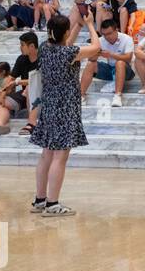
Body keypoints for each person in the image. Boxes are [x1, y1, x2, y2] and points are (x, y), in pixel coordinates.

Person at [28, 15, 102, 214]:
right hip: (66, 106)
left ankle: (40, 200)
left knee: (46, 154)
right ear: (66, 32)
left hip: (49, 103)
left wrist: (75, 25)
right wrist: (89, 24)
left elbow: (65, 41)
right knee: (60, 156)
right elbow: (95, 47)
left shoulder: (45, 47)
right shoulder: (69, 52)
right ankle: (53, 203)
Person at [0, 31, 39, 136]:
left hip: (41, 95)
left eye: (22, 45)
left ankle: (31, 123)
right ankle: (0, 126)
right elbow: (11, 78)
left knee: (29, 88)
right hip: (24, 94)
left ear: (32, 46)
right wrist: (3, 93)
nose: (20, 48)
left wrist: (18, 82)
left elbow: (39, 80)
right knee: (1, 103)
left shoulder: (43, 59)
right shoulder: (22, 59)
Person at [79, 18, 134, 107]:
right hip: (109, 69)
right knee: (91, 64)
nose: (107, 37)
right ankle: (81, 95)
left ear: (116, 30)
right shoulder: (100, 40)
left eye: (109, 33)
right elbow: (91, 59)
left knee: (119, 63)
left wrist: (111, 55)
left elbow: (128, 58)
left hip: (126, 71)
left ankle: (117, 96)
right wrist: (96, 54)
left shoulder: (126, 39)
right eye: (104, 34)